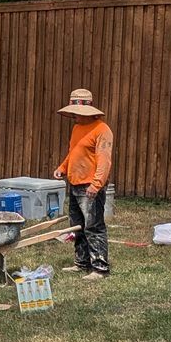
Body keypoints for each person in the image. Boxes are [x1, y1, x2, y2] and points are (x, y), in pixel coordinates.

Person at [56, 88, 113, 279]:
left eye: (76, 112)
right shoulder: (77, 128)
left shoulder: (102, 130)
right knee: (77, 226)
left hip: (90, 185)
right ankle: (82, 262)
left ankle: (99, 268)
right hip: (74, 183)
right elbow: (74, 153)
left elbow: (104, 160)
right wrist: (63, 168)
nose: (74, 116)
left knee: (93, 226)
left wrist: (96, 185)